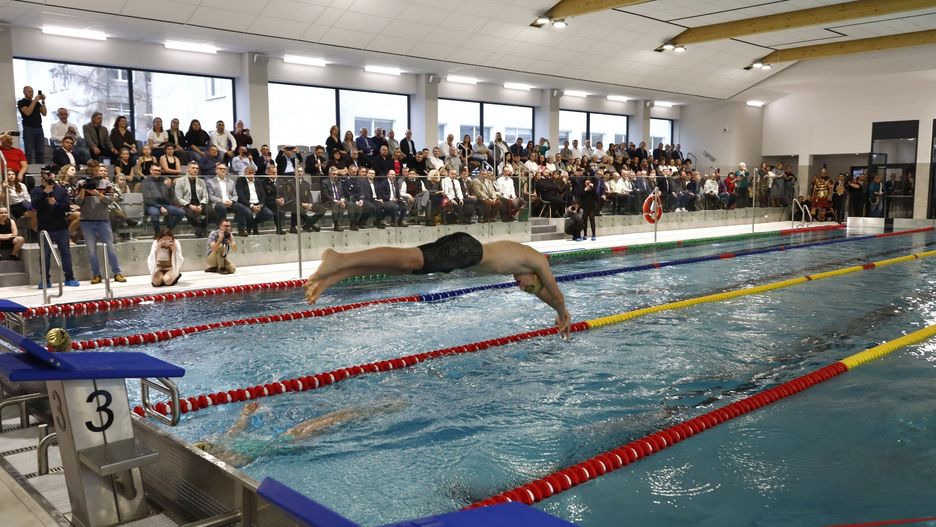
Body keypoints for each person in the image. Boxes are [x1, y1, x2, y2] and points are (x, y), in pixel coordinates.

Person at [304, 232, 571, 337]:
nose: (520, 287)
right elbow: (555, 295)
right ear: (535, 278)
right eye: (528, 287)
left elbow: (542, 294)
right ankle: (340, 259)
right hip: (467, 250)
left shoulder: (524, 267)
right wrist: (563, 316)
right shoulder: (537, 261)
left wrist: (542, 297)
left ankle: (340, 273)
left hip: (462, 256)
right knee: (409, 258)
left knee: (405, 267)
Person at [192, 400, 404, 468]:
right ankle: (380, 410)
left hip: (285, 437)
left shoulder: (227, 442)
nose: (213, 443)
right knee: (330, 421)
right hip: (287, 445)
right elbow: (259, 454)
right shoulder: (232, 461)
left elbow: (237, 428)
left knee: (330, 417)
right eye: (210, 446)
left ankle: (376, 409)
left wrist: (246, 413)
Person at [76, 166, 125, 283]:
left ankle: (117, 273)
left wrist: (97, 193)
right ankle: (96, 274)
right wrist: (83, 190)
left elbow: (109, 201)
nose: (97, 172)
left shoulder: (106, 183)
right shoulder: (81, 183)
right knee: (91, 250)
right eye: (95, 170)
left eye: (99, 170)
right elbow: (78, 202)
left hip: (103, 220)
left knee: (110, 248)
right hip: (86, 220)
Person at [31, 169, 80, 287]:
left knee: (65, 253)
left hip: (61, 227)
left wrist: (56, 204)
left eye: (52, 174)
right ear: (42, 176)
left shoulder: (61, 190)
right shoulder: (36, 190)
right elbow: (35, 206)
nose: (50, 176)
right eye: (48, 174)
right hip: (45, 228)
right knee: (45, 255)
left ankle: (69, 277)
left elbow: (67, 207)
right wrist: (45, 193)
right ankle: (45, 279)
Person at [142, 166, 184, 236]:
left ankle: (168, 230)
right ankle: (157, 234)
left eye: (159, 171)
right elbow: (147, 199)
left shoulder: (164, 180)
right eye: (155, 170)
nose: (157, 172)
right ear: (151, 171)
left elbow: (170, 195)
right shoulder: (145, 181)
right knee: (154, 213)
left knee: (181, 212)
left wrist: (169, 187)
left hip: (165, 204)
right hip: (151, 205)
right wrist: (160, 207)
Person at [174, 162, 209, 237]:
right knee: (189, 214)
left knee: (212, 212)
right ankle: (200, 231)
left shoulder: (201, 181)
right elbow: (179, 197)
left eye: (197, 168)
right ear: (188, 169)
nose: (195, 170)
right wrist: (190, 206)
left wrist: (201, 205)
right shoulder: (180, 181)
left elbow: (205, 196)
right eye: (193, 168)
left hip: (199, 204)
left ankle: (201, 228)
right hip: (186, 204)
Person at [17, 86, 47, 163]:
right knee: (29, 151)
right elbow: (28, 112)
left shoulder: (37, 103)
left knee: (40, 151)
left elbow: (44, 113)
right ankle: (28, 171)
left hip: (39, 128)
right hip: (28, 128)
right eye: (29, 92)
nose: (31, 93)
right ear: (24, 92)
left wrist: (43, 101)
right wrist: (35, 100)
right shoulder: (21, 102)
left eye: (32, 92)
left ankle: (41, 169)